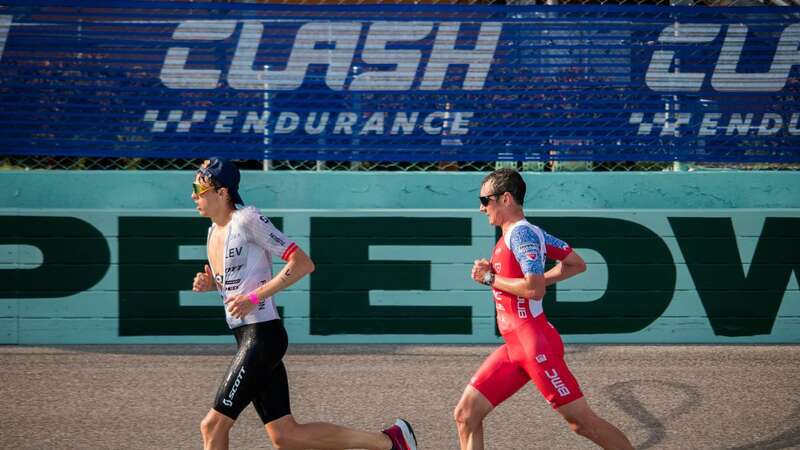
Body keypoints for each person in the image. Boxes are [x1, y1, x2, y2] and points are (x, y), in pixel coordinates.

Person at [190, 157, 417, 450]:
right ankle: (391, 441)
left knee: (212, 425)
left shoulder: (247, 219)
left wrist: (255, 298)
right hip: (247, 337)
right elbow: (238, 286)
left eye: (199, 187)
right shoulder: (212, 232)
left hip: (262, 337)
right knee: (286, 435)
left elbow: (302, 263)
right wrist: (213, 286)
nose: (194, 196)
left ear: (222, 192)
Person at [453, 168, 634, 450]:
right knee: (466, 415)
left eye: (485, 199)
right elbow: (575, 263)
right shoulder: (523, 234)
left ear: (506, 199)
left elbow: (534, 288)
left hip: (534, 345)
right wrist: (499, 276)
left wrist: (490, 279)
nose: (481, 207)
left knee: (581, 422)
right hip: (515, 347)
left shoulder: (522, 234)